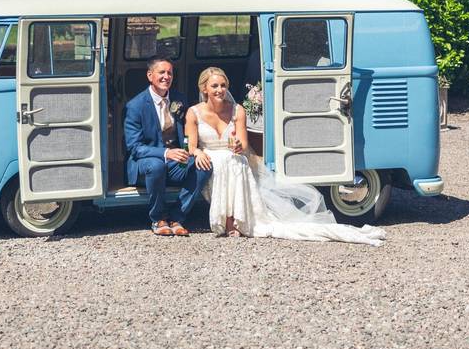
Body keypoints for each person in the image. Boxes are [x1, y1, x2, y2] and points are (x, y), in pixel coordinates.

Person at [185, 67, 387, 245]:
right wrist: (198, 152)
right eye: (214, 86)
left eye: (222, 85)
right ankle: (228, 219)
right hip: (210, 157)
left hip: (233, 156)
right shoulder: (193, 113)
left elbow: (244, 144)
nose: (219, 90)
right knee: (224, 161)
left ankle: (235, 218)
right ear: (204, 89)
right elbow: (191, 146)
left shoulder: (237, 110)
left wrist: (238, 145)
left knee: (234, 160)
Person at [123, 55, 212, 236]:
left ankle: (177, 216)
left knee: (204, 166)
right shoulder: (135, 106)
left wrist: (192, 151)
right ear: (150, 75)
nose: (166, 77)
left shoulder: (179, 99)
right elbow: (135, 147)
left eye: (170, 73)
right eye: (161, 72)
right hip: (145, 163)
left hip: (174, 162)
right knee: (157, 166)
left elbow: (186, 134)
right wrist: (166, 153)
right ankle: (158, 218)